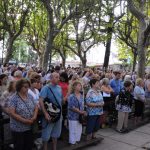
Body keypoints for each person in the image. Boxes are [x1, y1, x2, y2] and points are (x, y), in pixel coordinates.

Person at [8, 79, 38, 150]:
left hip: (29, 127)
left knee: (28, 146)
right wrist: (24, 120)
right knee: (19, 147)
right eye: (25, 87)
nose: (27, 89)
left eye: (28, 87)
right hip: (18, 129)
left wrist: (34, 116)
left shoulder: (29, 96)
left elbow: (36, 107)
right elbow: (12, 113)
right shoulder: (14, 98)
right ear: (19, 87)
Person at [39, 72, 63, 150]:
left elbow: (61, 101)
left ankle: (54, 148)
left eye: (58, 77)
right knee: (46, 134)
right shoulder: (46, 88)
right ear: (51, 78)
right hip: (49, 114)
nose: (57, 79)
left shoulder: (59, 88)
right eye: (55, 77)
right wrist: (45, 114)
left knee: (56, 134)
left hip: (58, 115)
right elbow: (41, 100)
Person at [68, 81, 86, 145]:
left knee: (79, 129)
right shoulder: (71, 96)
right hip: (73, 116)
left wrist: (83, 111)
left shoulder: (81, 95)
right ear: (75, 87)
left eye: (80, 86)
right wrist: (80, 112)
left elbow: (82, 105)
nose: (80, 87)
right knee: (73, 130)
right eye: (79, 85)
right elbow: (71, 107)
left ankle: (76, 141)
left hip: (80, 116)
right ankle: (72, 142)